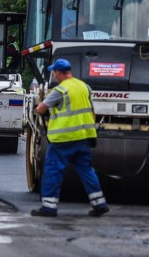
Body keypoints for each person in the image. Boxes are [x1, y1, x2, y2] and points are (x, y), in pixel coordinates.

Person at [30, 58, 110, 217]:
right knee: (86, 170)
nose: (54, 75)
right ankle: (99, 204)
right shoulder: (84, 87)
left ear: (58, 73)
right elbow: (91, 111)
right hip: (83, 138)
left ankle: (49, 207)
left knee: (53, 171)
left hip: (63, 140)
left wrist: (43, 108)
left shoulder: (60, 90)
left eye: (54, 73)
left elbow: (40, 109)